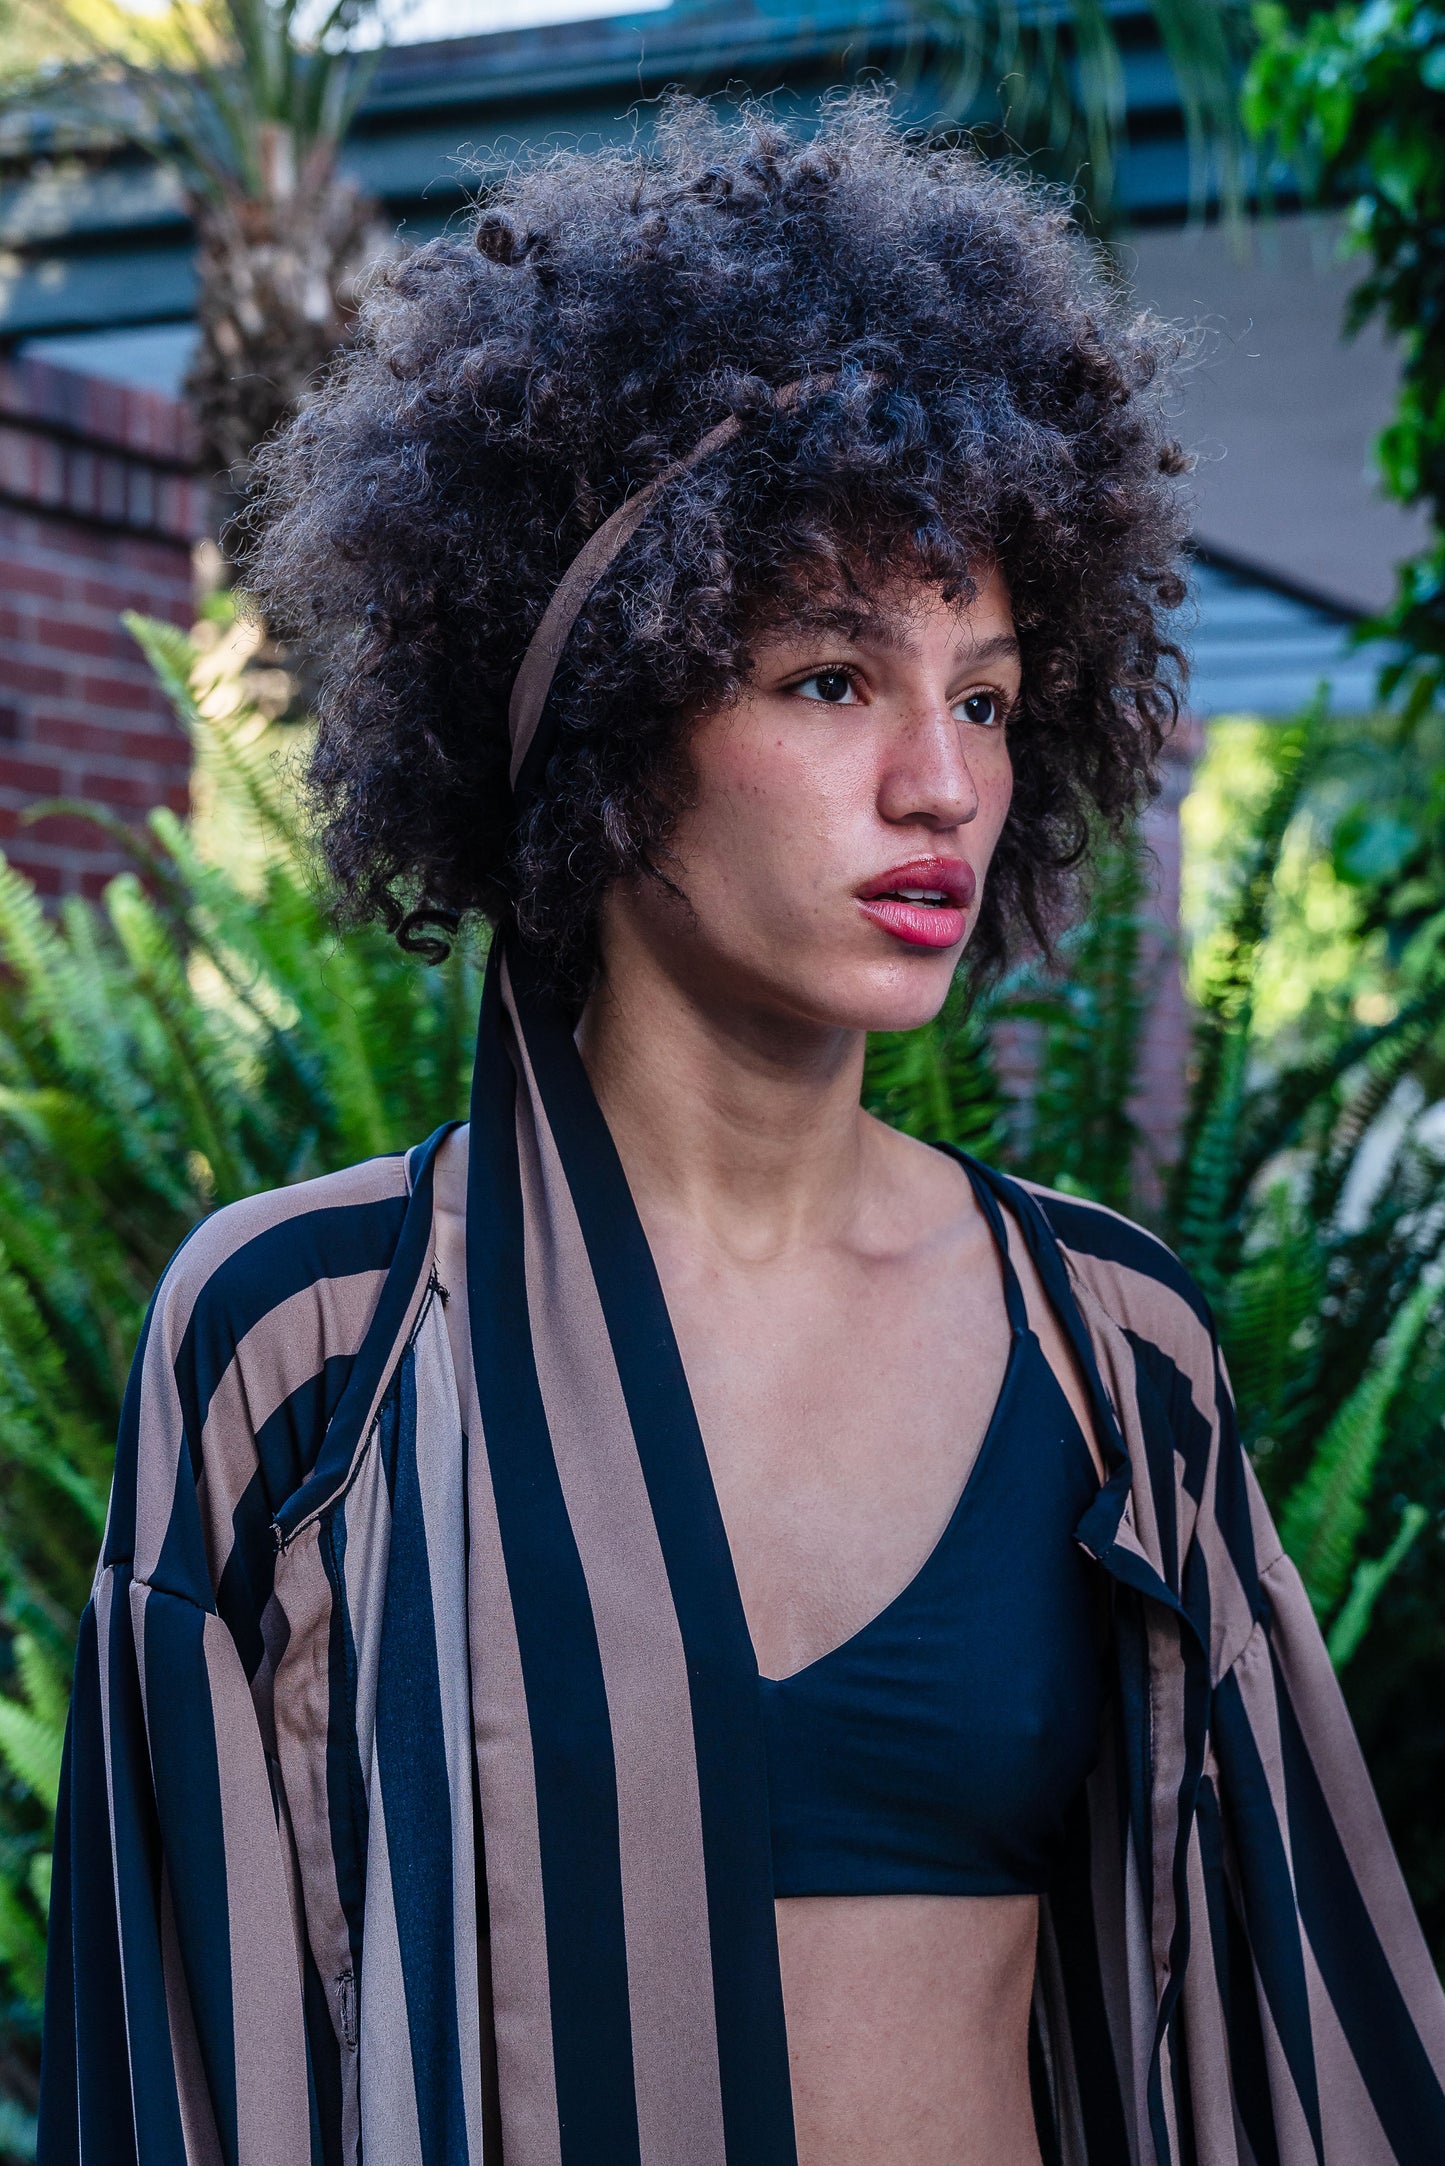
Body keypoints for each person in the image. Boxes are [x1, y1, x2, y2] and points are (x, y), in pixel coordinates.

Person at [38, 96, 1445, 2166]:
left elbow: (1286, 2046)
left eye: (981, 695)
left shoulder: (1110, 1358)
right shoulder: (301, 1349)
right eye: (824, 680)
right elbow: (176, 2062)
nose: (939, 786)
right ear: (590, 711)